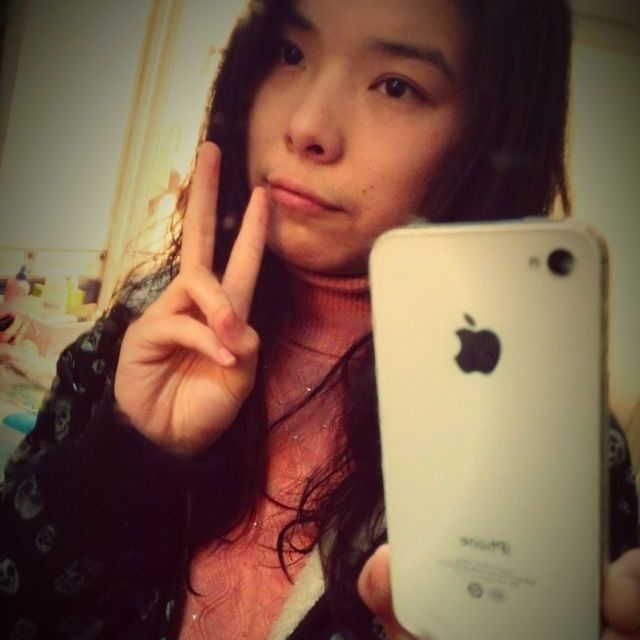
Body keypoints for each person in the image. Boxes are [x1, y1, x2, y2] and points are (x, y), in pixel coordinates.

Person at [1, 0, 638, 638]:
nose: (306, 126)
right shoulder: (151, 327)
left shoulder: (552, 436)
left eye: (396, 86)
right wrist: (127, 457)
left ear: (490, 132)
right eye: (290, 54)